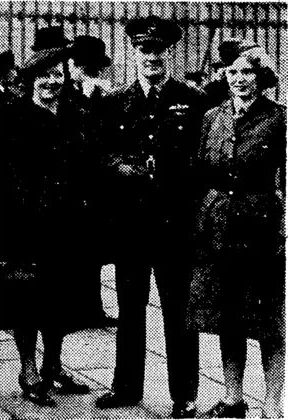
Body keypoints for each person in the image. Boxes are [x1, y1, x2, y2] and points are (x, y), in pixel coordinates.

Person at [96, 16, 207, 418]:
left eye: (158, 50)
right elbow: (101, 153)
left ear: (170, 52)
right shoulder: (117, 101)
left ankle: (184, 394)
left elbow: (201, 159)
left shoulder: (193, 101)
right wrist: (121, 167)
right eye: (144, 50)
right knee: (130, 309)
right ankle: (125, 386)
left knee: (178, 311)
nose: (152, 58)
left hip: (174, 225)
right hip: (131, 225)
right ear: (134, 53)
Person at [0, 26, 93, 406]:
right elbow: (0, 179)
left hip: (68, 223)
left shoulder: (74, 114)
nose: (52, 82)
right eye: (45, 75)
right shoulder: (14, 116)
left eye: (58, 75)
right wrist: (4, 233)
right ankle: (29, 367)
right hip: (28, 225)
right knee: (28, 297)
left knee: (61, 296)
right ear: (32, 78)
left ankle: (53, 364)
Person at [196, 41, 286, 418]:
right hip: (218, 228)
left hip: (261, 226)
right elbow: (201, 169)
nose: (239, 80)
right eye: (233, 72)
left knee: (267, 319)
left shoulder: (280, 118)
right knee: (226, 316)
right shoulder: (212, 117)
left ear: (261, 77)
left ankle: (272, 403)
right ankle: (232, 397)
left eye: (247, 72)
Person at [66, 35, 117, 328]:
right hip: (78, 183)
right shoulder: (72, 94)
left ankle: (91, 307)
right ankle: (83, 307)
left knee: (91, 252)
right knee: (82, 251)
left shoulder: (101, 94)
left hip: (95, 184)